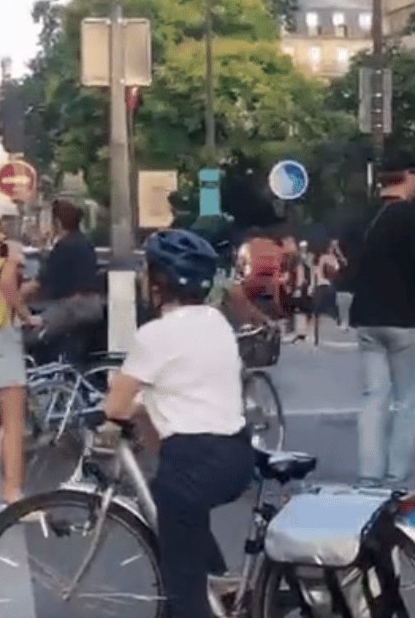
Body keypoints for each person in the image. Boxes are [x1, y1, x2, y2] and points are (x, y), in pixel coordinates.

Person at [104, 229, 254, 618]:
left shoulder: (154, 335)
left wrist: (114, 415)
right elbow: (185, 389)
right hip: (236, 454)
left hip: (192, 461)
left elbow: (116, 404)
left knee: (181, 588)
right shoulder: (217, 323)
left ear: (157, 282)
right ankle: (221, 582)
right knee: (176, 509)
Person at [349, 149, 415, 485]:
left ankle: (369, 475)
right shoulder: (411, 218)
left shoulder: (367, 215)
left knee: (374, 397)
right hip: (404, 319)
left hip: (366, 318)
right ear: (410, 177)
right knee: (408, 402)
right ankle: (395, 475)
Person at [0, 194, 36, 509]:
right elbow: (7, 286)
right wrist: (24, 313)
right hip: (0, 335)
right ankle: (12, 493)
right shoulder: (8, 249)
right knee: (13, 417)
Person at [21, 199, 103, 361]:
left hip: (74, 308)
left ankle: (49, 381)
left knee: (27, 336)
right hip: (89, 306)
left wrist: (10, 298)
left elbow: (37, 284)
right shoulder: (83, 242)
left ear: (57, 223)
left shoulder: (64, 247)